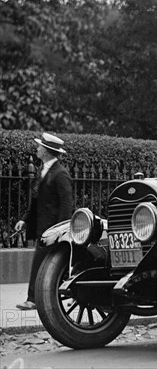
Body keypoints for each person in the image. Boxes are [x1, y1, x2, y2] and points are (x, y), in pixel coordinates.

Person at [14, 132, 73, 310]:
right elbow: (37, 202)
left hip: (52, 230)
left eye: (40, 147)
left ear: (46, 151)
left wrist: (60, 231)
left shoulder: (60, 174)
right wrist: (24, 220)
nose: (37, 148)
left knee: (42, 264)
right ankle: (43, 297)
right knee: (46, 265)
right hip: (43, 228)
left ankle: (33, 299)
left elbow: (66, 204)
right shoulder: (44, 171)